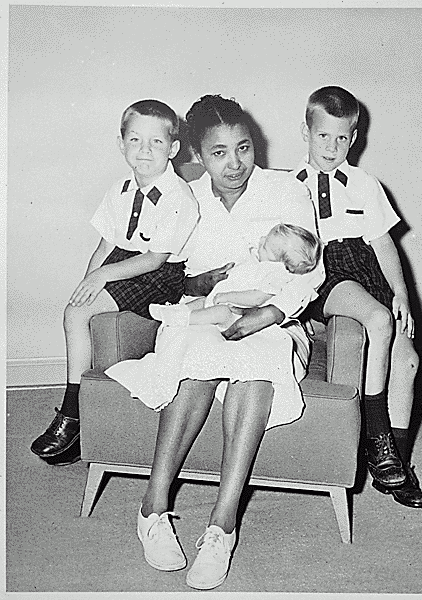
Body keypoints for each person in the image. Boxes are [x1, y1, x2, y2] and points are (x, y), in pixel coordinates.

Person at [129, 94, 322, 590]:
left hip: (277, 320)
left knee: (257, 368)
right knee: (198, 362)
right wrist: (204, 284)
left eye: (243, 148)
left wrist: (270, 312)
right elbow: (178, 275)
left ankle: (222, 526)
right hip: (208, 318)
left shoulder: (285, 190)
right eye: (218, 152)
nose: (234, 163)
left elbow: (310, 271)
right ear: (195, 154)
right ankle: (153, 507)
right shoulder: (187, 198)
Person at [30, 99, 200, 466]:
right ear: (121, 144)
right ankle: (77, 412)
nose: (144, 150)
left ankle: (72, 414)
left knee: (75, 315)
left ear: (173, 149)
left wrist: (102, 276)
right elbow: (106, 246)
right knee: (75, 312)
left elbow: (155, 258)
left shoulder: (178, 195)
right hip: (122, 264)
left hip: (160, 274)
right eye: (135, 140)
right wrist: (87, 282)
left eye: (156, 142)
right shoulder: (119, 189)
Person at [293, 85, 422, 509]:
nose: (332, 146)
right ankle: (377, 439)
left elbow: (384, 246)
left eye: (341, 138)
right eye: (323, 136)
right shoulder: (287, 186)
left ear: (353, 138)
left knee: (407, 360)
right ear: (306, 132)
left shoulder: (365, 183)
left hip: (368, 269)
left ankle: (397, 465)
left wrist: (401, 293)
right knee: (377, 320)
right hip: (326, 271)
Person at [105, 222, 323, 411]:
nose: (260, 239)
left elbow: (257, 298)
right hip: (220, 299)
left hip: (240, 314)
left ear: (279, 263)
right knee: (203, 305)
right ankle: (174, 312)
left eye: (265, 245)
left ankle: (182, 318)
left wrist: (225, 295)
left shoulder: (274, 274)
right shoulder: (257, 263)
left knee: (218, 311)